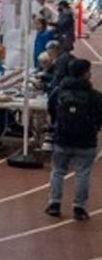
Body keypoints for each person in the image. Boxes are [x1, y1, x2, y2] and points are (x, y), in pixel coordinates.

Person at [46, 59, 102, 221]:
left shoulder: (58, 92)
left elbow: (51, 110)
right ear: (86, 74)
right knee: (82, 173)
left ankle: (54, 204)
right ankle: (79, 207)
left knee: (57, 171)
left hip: (62, 138)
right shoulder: (94, 96)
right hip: (86, 140)